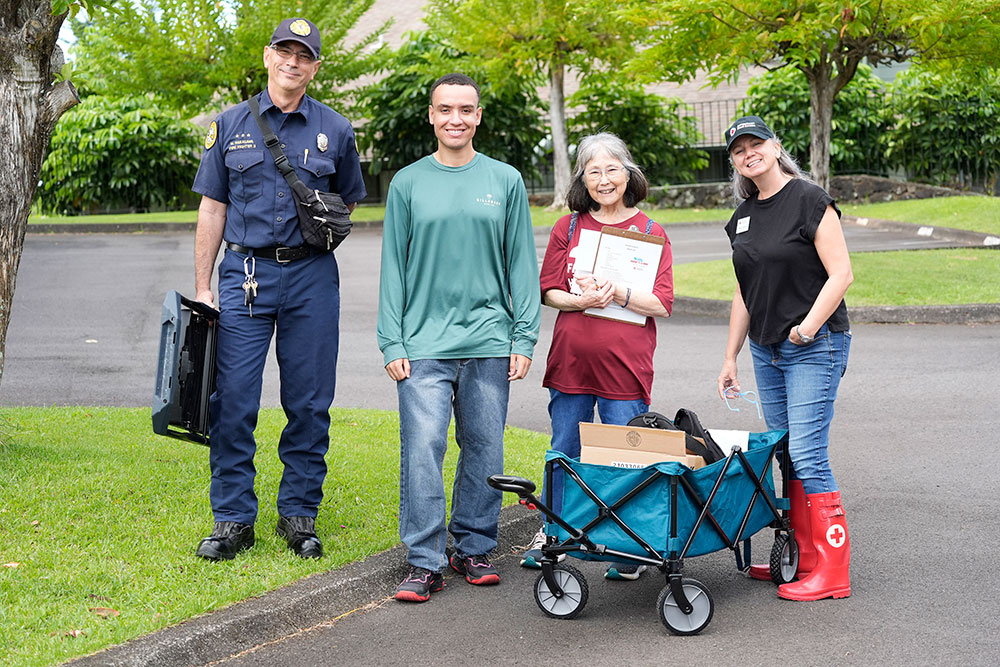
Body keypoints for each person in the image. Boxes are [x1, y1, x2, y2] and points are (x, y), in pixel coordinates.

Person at [191, 18, 366, 561]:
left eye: (304, 55)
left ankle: (298, 514)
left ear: (315, 67)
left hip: (311, 277)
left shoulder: (335, 130)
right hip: (245, 275)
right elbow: (213, 208)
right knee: (234, 399)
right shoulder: (230, 125)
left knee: (310, 402)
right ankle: (233, 518)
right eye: (284, 52)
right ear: (268, 57)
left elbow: (347, 201)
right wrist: (203, 287)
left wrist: (310, 233)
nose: (293, 62)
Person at [377, 73, 541, 603]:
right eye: (445, 109)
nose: (456, 119)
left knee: (485, 449)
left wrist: (524, 337)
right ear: (431, 115)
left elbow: (521, 264)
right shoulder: (407, 182)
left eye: (465, 110)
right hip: (422, 345)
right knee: (422, 449)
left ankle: (472, 545)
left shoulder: (505, 180)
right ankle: (424, 560)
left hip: (490, 340)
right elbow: (392, 270)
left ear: (478, 117)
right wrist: (392, 341)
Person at [520, 133, 674, 581]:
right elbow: (548, 290)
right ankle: (553, 532)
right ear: (582, 179)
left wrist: (620, 293)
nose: (604, 180)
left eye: (612, 169)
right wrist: (579, 300)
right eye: (593, 171)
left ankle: (630, 544)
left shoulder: (650, 233)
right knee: (564, 448)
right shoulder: (568, 228)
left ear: (629, 173)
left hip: (625, 366)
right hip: (571, 361)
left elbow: (662, 303)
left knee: (627, 453)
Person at [716, 115, 853, 601]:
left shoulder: (810, 200)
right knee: (784, 454)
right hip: (765, 350)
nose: (748, 153)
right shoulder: (743, 216)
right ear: (733, 161)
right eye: (738, 149)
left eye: (756, 143)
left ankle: (833, 570)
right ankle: (806, 557)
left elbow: (841, 274)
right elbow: (743, 292)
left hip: (813, 346)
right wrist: (731, 355)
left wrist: (808, 328)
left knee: (808, 455)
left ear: (775, 147)